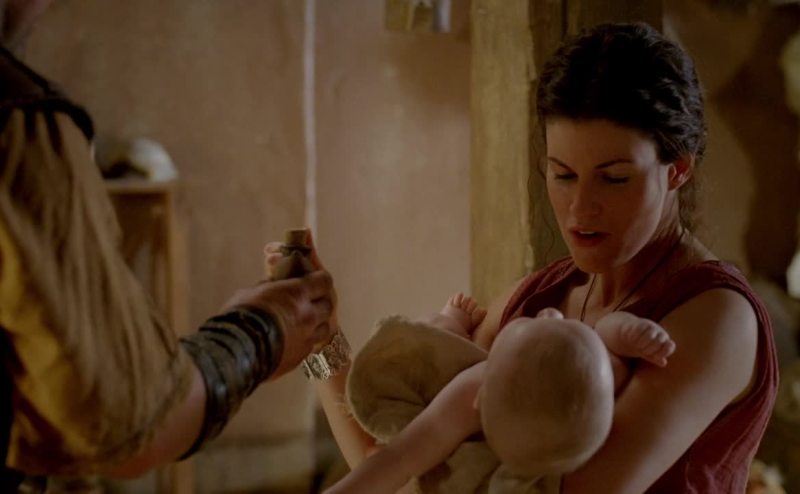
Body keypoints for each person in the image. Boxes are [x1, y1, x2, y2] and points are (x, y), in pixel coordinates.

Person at [268, 21, 779, 493]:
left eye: (614, 178)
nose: (580, 208)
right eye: (563, 174)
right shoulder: (536, 301)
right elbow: (397, 461)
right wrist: (319, 336)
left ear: (678, 169)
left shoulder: (715, 317)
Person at [0, 0, 336, 491]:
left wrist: (302, 330)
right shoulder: (19, 125)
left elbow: (377, 455)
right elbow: (128, 421)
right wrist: (288, 329)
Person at [321, 294, 676, 494]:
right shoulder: (576, 383)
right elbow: (607, 339)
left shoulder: (475, 387)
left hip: (397, 453)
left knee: (434, 331)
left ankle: (448, 323)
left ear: (480, 397)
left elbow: (397, 458)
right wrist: (628, 330)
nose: (551, 313)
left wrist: (321, 343)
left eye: (531, 324)